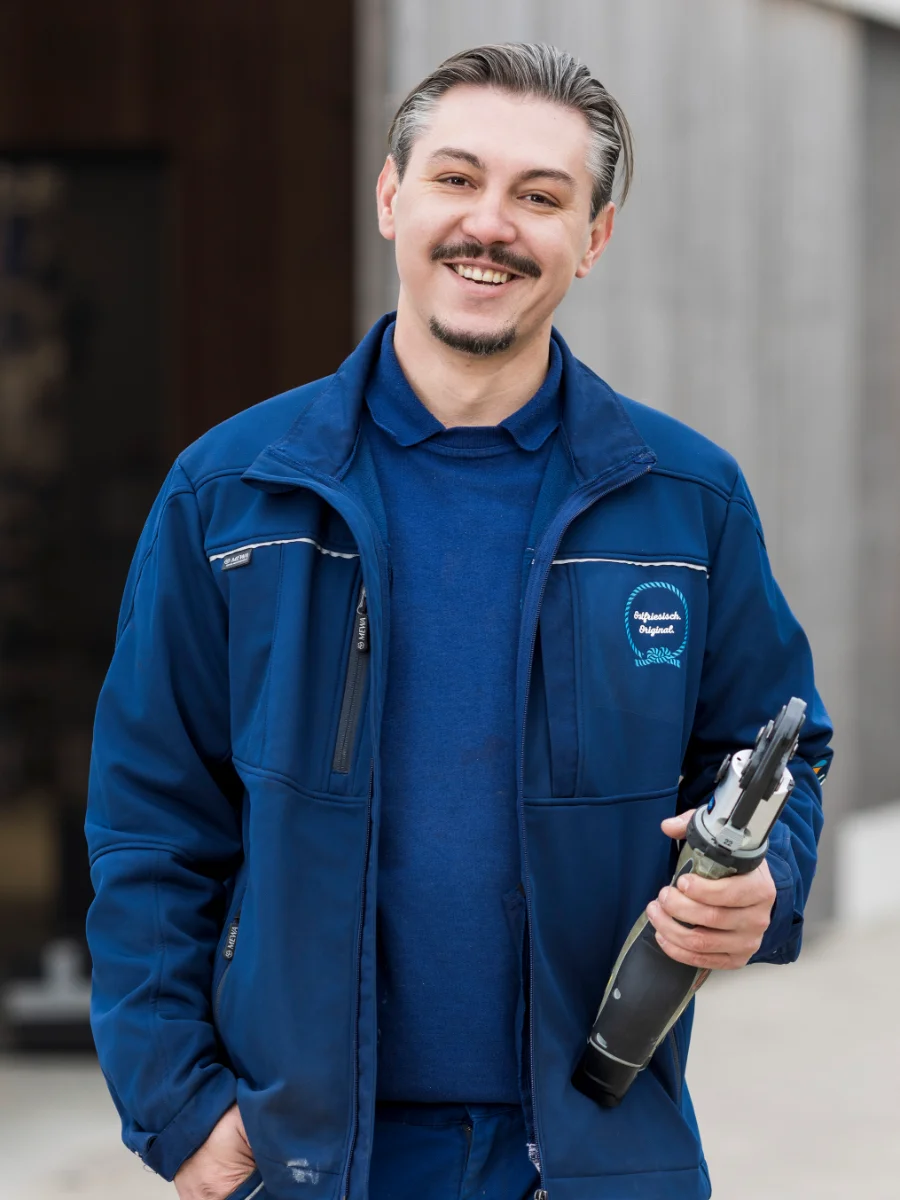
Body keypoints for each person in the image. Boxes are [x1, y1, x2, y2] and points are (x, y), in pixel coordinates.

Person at [86, 43, 832, 1200]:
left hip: (599, 1153)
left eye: (542, 197)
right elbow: (149, 823)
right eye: (456, 179)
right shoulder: (231, 494)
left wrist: (762, 882)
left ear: (594, 238)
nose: (492, 224)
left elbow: (782, 750)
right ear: (390, 197)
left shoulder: (686, 500)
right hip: (311, 1164)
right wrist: (182, 1113)